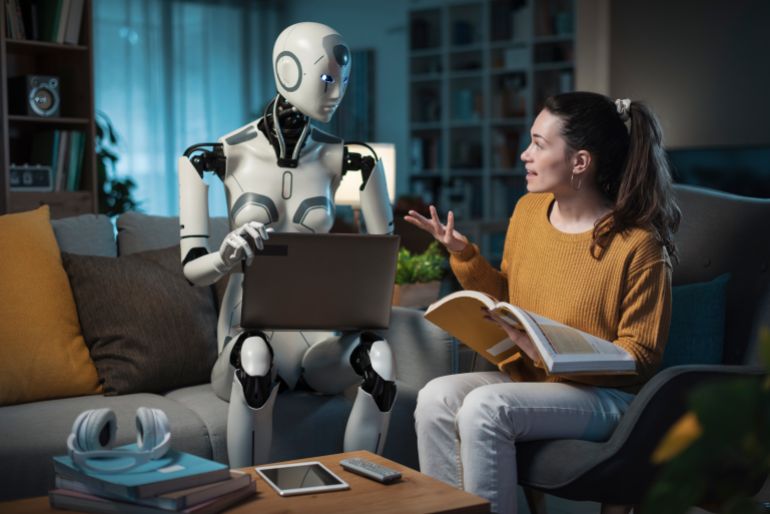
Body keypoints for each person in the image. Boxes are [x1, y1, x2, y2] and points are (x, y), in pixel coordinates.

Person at [404, 91, 680, 513]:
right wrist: (462, 254)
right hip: (534, 382)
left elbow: (641, 356)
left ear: (580, 162)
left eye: (539, 143)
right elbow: (506, 297)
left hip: (608, 399)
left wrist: (558, 356)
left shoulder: (639, 245)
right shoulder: (529, 212)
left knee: (485, 407)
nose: (524, 154)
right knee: (435, 398)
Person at [177, 22, 396, 468]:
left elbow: (382, 261)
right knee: (255, 356)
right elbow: (191, 268)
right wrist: (225, 256)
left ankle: (366, 494)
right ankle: (251, 495)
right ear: (289, 70)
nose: (337, 93)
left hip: (319, 339)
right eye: (328, 78)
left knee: (379, 357)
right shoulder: (215, 157)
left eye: (344, 81)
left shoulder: (353, 160)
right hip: (246, 333)